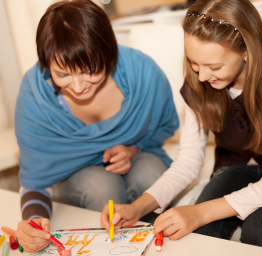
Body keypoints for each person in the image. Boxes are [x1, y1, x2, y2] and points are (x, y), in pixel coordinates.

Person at [101, 0, 262, 253]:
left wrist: (199, 211)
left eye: (214, 67)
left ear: (247, 51)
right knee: (196, 233)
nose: (203, 76)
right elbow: (188, 162)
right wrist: (137, 208)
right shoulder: (200, 81)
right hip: (238, 169)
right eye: (194, 63)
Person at [14, 0, 179, 252]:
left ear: (109, 52)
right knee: (103, 187)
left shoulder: (143, 73)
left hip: (137, 158)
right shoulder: (35, 95)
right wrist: (34, 223)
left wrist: (131, 149)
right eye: (63, 74)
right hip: (75, 179)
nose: (79, 87)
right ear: (46, 64)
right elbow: (36, 179)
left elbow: (160, 130)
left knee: (153, 175)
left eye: (90, 70)